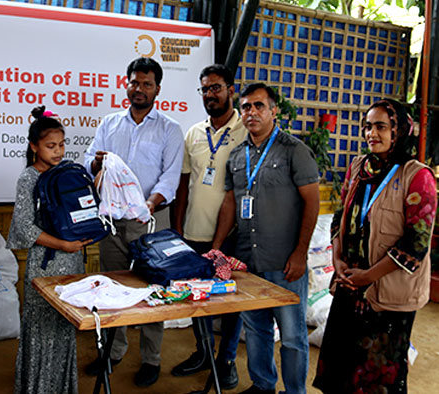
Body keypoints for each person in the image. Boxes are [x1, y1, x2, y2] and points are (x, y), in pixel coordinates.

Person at [313, 99, 436, 393]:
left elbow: (415, 242)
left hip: (387, 296)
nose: (371, 133)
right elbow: (340, 218)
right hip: (349, 287)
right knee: (341, 371)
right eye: (367, 126)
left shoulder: (417, 176)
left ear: (400, 130)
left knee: (377, 378)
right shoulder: (359, 167)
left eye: (381, 126)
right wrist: (338, 260)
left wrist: (368, 276)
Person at [212, 82, 319, 394]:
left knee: (292, 335)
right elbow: (231, 203)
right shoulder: (237, 155)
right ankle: (263, 385)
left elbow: (312, 203)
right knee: (256, 328)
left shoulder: (294, 151)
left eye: (259, 106)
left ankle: (295, 390)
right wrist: (218, 248)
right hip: (247, 262)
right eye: (246, 106)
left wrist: (300, 253)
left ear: (274, 111)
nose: (252, 112)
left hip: (285, 263)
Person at [83, 57, 183, 387]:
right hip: (112, 221)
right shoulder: (109, 124)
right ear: (126, 84)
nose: (139, 89)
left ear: (157, 89)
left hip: (151, 221)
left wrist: (148, 205)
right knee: (113, 287)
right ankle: (113, 351)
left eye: (146, 84)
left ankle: (151, 358)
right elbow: (88, 163)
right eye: (134, 82)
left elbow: (170, 178)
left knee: (153, 289)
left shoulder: (170, 129)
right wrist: (96, 163)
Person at [7, 106, 92, 394]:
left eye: (62, 144)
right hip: (45, 264)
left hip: (73, 261)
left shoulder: (66, 174)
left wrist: (86, 232)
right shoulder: (28, 179)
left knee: (65, 328)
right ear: (34, 147)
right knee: (42, 330)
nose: (58, 151)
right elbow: (25, 228)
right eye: (50, 146)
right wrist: (63, 244)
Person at [171, 64, 246, 388]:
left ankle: (226, 361)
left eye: (216, 87)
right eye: (204, 89)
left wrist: (220, 241)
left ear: (231, 89)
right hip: (193, 234)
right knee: (196, 298)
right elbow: (183, 184)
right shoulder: (194, 133)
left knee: (230, 303)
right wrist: (177, 229)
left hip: (230, 236)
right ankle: (202, 351)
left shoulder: (247, 129)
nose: (209, 94)